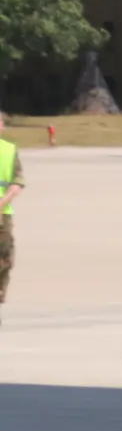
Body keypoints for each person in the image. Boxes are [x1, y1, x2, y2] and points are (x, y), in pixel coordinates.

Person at [0, 111, 24, 321]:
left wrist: (1, 203)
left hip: (2, 214)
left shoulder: (9, 150)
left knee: (5, 260)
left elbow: (17, 183)